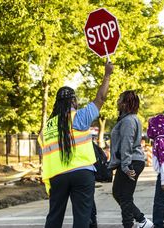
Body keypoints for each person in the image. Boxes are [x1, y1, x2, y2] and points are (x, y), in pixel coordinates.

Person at [39, 62, 113, 228]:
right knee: (82, 217)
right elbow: (100, 99)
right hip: (82, 174)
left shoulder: (47, 128)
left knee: (54, 217)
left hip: (57, 176)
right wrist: (107, 75)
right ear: (73, 101)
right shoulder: (79, 117)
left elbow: (46, 157)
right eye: (76, 100)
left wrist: (48, 184)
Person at [108, 90, 152, 228]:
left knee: (125, 196)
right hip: (129, 160)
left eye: (120, 99)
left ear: (126, 103)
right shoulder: (128, 119)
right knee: (118, 193)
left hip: (131, 161)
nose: (118, 102)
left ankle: (131, 224)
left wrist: (126, 167)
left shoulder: (128, 120)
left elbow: (127, 142)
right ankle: (142, 220)